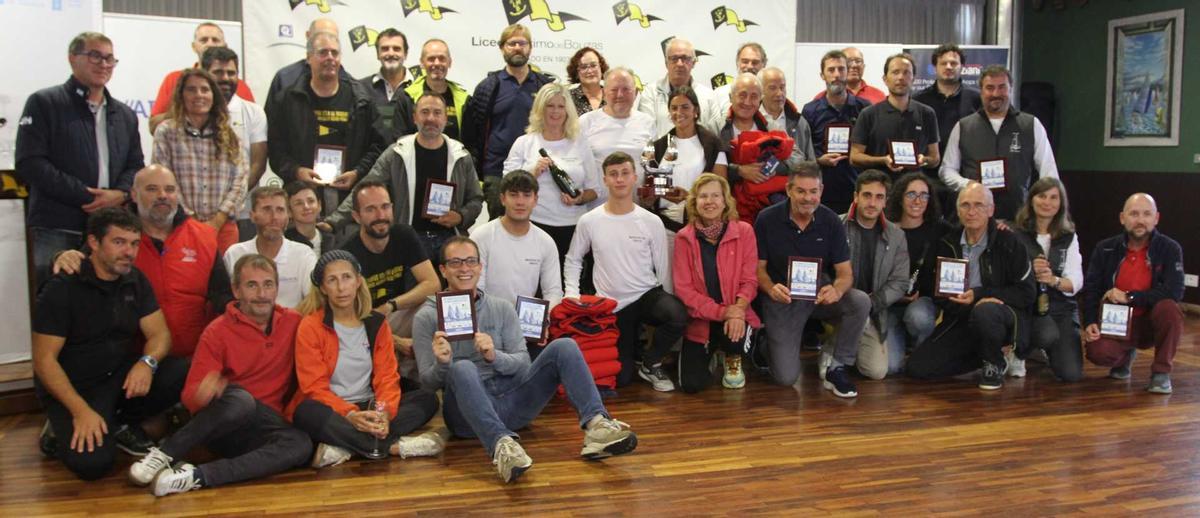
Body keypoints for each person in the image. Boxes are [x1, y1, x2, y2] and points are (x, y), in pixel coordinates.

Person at [413, 236, 638, 483]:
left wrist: (493, 356)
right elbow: (427, 382)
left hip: (514, 406)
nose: (464, 268)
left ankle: (597, 426)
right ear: (443, 270)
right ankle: (501, 447)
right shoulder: (426, 317)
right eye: (455, 262)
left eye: (470, 261)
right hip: (467, 419)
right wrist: (443, 363)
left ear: (480, 266)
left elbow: (522, 364)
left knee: (564, 345)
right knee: (463, 366)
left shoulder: (501, 307)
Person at [129, 254, 312, 496]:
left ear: (277, 288)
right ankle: (165, 454)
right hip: (227, 422)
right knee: (241, 400)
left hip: (266, 423)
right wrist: (203, 394)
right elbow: (190, 396)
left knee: (301, 445)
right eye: (251, 285)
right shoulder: (216, 332)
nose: (262, 293)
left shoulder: (293, 322)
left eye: (268, 284)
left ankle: (196, 477)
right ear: (236, 290)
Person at [33, 208, 186, 480]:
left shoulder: (135, 280)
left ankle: (120, 423)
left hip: (118, 376)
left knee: (184, 369)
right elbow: (44, 362)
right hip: (76, 386)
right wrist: (80, 412)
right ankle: (60, 425)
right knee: (93, 466)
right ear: (94, 242)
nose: (129, 251)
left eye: (134, 243)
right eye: (119, 242)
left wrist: (146, 363)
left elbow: (160, 335)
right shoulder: (62, 288)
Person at [52, 165, 233, 359]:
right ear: (134, 195)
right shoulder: (114, 234)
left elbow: (223, 297)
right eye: (152, 189)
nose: (162, 195)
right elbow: (79, 265)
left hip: (193, 360)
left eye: (170, 189)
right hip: (126, 364)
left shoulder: (204, 237)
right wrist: (63, 256)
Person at [292, 250, 443, 467]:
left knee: (427, 398)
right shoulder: (310, 326)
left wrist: (384, 413)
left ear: (358, 281)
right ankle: (393, 447)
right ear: (323, 288)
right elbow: (313, 388)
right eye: (332, 280)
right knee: (306, 412)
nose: (341, 287)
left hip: (370, 404)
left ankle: (347, 447)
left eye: (346, 277)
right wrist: (350, 414)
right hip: (335, 410)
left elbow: (387, 377)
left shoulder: (376, 322)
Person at [16, 32, 143, 287]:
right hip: (56, 225)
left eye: (110, 58)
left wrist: (119, 194)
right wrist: (87, 196)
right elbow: (30, 163)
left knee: (103, 305)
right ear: (73, 59)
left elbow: (135, 166)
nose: (104, 64)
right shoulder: (44, 103)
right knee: (51, 299)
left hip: (109, 229)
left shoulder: (125, 115)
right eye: (95, 56)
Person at [565, 152, 687, 391]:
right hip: (612, 304)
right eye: (613, 174)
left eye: (624, 173)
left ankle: (650, 362)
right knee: (620, 379)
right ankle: (636, 355)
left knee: (676, 314)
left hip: (646, 296)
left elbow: (662, 267)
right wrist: (571, 295)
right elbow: (573, 260)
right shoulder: (589, 221)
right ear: (605, 180)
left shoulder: (651, 221)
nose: (619, 179)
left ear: (634, 178)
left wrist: (668, 297)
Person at [754, 162, 869, 396]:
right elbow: (758, 269)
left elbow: (845, 273)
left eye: (813, 191)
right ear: (788, 190)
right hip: (781, 297)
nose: (808, 198)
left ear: (821, 191)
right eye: (801, 191)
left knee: (860, 301)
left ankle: (837, 366)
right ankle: (765, 342)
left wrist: (836, 290)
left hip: (818, 293)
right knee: (786, 378)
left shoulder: (832, 221)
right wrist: (770, 288)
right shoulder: (766, 219)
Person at [907, 182, 1035, 390]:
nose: (972, 212)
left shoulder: (1010, 243)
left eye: (979, 205)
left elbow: (1027, 294)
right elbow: (937, 292)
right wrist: (962, 302)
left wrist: (981, 295)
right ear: (957, 211)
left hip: (1000, 317)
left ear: (991, 210)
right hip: (961, 316)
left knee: (985, 311)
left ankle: (993, 364)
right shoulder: (947, 243)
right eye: (965, 205)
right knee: (918, 368)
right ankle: (986, 355)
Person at [327, 94, 483, 262]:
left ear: (446, 118)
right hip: (407, 241)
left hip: (450, 241)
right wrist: (333, 222)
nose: (431, 118)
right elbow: (364, 191)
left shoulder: (460, 155)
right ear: (414, 117)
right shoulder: (396, 153)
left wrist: (460, 216)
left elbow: (475, 199)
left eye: (437, 113)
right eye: (425, 112)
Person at [266, 30, 385, 213]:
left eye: (334, 53)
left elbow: (378, 145)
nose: (330, 58)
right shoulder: (288, 100)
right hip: (301, 199)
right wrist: (296, 172)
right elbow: (275, 148)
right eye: (323, 53)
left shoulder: (361, 99)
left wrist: (358, 173)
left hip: (350, 199)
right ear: (308, 58)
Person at [1081, 193, 1184, 394]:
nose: (1140, 220)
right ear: (1122, 218)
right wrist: (1090, 321)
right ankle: (1124, 358)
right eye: (1134, 214)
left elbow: (1175, 290)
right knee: (1098, 352)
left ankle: (1161, 373)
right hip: (1117, 323)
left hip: (1153, 322)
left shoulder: (1170, 248)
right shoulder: (1105, 248)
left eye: (1147, 214)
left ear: (1156, 219)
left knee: (1169, 308)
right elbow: (1091, 288)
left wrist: (1130, 297)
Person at [338, 180, 441, 368]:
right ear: (356, 216)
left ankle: (429, 380)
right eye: (370, 209)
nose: (380, 215)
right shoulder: (347, 256)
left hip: (393, 312)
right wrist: (395, 341)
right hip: (364, 323)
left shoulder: (403, 235)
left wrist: (391, 305)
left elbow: (433, 284)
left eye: (385, 207)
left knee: (436, 307)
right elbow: (348, 319)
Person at [672, 174, 760, 392]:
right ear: (694, 202)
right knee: (691, 385)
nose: (709, 201)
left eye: (715, 196)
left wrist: (738, 310)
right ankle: (712, 351)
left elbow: (749, 280)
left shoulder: (744, 231)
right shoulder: (684, 238)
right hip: (703, 318)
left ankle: (732, 355)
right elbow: (684, 291)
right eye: (703, 196)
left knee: (736, 341)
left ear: (725, 201)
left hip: (738, 315)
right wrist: (724, 313)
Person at [940, 65, 1059, 221]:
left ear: (1010, 89)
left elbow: (1048, 173)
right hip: (974, 218)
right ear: (981, 91)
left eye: (1002, 87)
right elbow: (946, 170)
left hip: (1018, 218)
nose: (996, 93)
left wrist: (1044, 211)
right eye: (990, 88)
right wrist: (968, 184)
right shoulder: (963, 126)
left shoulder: (1031, 125)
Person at [463, 24, 556, 220]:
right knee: (500, 227)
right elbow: (474, 132)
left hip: (538, 169)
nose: (517, 47)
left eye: (522, 43)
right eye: (511, 43)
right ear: (502, 48)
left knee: (537, 227)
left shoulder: (544, 86)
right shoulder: (488, 87)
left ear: (530, 47)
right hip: (497, 171)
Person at [152, 68, 248, 254]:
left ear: (214, 95)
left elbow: (240, 181)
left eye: (205, 89)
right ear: (181, 95)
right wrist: (191, 219)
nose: (199, 95)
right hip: (180, 225)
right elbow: (163, 180)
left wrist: (217, 221)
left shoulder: (230, 135)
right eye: (191, 89)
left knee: (224, 282)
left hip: (223, 228)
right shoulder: (166, 132)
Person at [503, 83, 601, 261]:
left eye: (560, 106)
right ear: (540, 108)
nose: (555, 111)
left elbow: (594, 190)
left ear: (568, 110)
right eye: (550, 106)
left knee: (568, 282)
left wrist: (579, 198)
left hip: (573, 227)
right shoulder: (524, 143)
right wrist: (531, 173)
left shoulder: (579, 143)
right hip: (533, 225)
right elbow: (505, 187)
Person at [839, 171, 909, 379]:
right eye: (867, 195)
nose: (872, 202)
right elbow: (824, 270)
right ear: (855, 197)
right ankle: (834, 348)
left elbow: (900, 282)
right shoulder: (836, 226)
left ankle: (848, 347)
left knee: (877, 372)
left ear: (886, 201)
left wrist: (871, 303)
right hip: (840, 306)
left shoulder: (897, 235)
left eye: (879, 197)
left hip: (875, 311)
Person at [1012, 177, 1083, 382]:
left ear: (1061, 203)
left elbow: (1075, 282)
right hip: (1028, 306)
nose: (1047, 202)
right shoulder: (1017, 233)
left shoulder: (1069, 236)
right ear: (1031, 199)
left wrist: (1053, 280)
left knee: (1071, 375)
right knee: (1046, 333)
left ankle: (1045, 350)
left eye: (1054, 197)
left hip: (1061, 307)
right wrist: (1028, 270)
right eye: (1042, 196)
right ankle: (1022, 350)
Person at [199, 47, 269, 242]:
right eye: (218, 72)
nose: (225, 78)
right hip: (200, 215)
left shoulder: (253, 112)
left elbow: (258, 164)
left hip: (243, 214)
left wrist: (228, 203)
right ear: (205, 74)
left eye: (231, 73)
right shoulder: (194, 115)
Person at [882, 172, 946, 368]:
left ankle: (919, 354)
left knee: (918, 317)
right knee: (891, 368)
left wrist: (999, 225)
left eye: (923, 195)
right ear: (900, 197)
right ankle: (901, 341)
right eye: (911, 194)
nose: (918, 200)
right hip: (889, 304)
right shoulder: (886, 230)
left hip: (922, 303)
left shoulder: (939, 230)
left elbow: (970, 229)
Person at [471, 171, 563, 307]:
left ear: (535, 200)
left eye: (526, 195)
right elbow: (476, 289)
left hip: (527, 322)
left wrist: (544, 319)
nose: (520, 202)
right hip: (487, 318)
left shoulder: (545, 242)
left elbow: (553, 291)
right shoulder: (481, 236)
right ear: (503, 199)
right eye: (513, 195)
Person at [648, 86, 728, 231]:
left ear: (695, 111)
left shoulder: (713, 145)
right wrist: (659, 192)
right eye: (674, 108)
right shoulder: (658, 147)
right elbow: (649, 193)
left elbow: (721, 190)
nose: (679, 113)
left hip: (702, 223)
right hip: (664, 225)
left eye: (685, 107)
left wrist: (689, 197)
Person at [849, 53, 940, 180]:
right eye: (895, 72)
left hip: (914, 190)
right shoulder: (868, 114)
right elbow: (854, 157)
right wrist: (882, 160)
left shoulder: (927, 114)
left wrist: (924, 159)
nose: (901, 77)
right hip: (879, 190)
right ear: (885, 79)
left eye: (906, 72)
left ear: (913, 78)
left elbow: (935, 158)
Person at [802, 50, 872, 214]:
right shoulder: (810, 110)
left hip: (856, 190)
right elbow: (804, 152)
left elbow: (871, 147)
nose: (837, 75)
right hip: (820, 192)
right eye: (831, 70)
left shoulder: (864, 108)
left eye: (841, 69)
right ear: (822, 75)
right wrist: (819, 160)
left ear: (847, 72)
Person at [224, 186, 317, 308]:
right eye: (267, 210)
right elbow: (227, 302)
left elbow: (312, 302)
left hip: (293, 324)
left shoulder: (303, 254)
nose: (274, 217)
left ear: (288, 216)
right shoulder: (234, 254)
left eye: (280, 210)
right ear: (252, 215)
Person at [578, 67, 656, 202]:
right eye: (614, 90)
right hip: (596, 210)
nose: (620, 95)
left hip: (637, 210)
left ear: (636, 93)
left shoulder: (647, 123)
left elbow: (653, 166)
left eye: (626, 89)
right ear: (604, 92)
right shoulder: (586, 122)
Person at [150, 22, 254, 117]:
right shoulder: (174, 79)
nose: (209, 44)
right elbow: (154, 124)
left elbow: (252, 119)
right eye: (204, 40)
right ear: (194, 46)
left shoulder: (240, 86)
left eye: (215, 40)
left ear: (225, 46)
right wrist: (185, 114)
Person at [637, 37, 722, 138]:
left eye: (685, 58)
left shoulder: (709, 96)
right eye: (674, 58)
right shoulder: (650, 93)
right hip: (661, 152)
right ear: (666, 63)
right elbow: (646, 133)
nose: (679, 64)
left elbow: (715, 135)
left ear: (694, 63)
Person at [912, 44, 982, 164]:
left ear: (962, 67)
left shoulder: (977, 98)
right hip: (928, 170)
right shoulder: (918, 99)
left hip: (964, 170)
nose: (948, 67)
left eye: (954, 63)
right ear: (935, 67)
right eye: (943, 63)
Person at [264, 18, 353, 110]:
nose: (327, 40)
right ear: (308, 36)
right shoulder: (285, 78)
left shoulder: (351, 85)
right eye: (321, 35)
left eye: (332, 37)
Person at [404, 39, 470, 141]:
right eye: (431, 59)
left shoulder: (464, 100)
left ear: (449, 62)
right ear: (422, 63)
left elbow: (471, 144)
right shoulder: (407, 97)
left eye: (442, 58)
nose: (437, 63)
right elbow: (399, 141)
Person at [359, 28, 417, 142]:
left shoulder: (419, 90)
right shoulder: (361, 89)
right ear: (378, 54)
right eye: (385, 49)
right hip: (371, 159)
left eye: (397, 49)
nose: (391, 53)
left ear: (405, 54)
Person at [713, 43, 768, 120]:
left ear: (764, 64)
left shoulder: (771, 96)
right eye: (745, 61)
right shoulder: (719, 94)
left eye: (755, 62)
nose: (749, 66)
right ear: (737, 63)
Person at [812, 47, 886, 105]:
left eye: (858, 61)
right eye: (849, 61)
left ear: (864, 66)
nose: (854, 65)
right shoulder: (820, 98)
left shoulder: (879, 96)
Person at [284, 181, 334, 254]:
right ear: (289, 211)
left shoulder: (330, 240)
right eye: (299, 203)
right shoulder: (285, 243)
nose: (306, 207)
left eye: (311, 201)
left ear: (319, 205)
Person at [566, 46, 608, 115]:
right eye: (583, 67)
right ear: (576, 72)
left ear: (601, 67)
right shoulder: (567, 99)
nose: (590, 71)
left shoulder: (612, 96)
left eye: (593, 65)